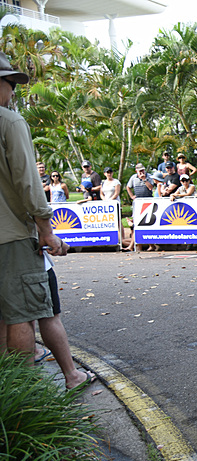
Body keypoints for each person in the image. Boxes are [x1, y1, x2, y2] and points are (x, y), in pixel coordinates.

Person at [0, 52, 91, 388]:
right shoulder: (9, 122)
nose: (12, 93)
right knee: (24, 315)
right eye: (10, 84)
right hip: (11, 236)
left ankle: (7, 394)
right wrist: (46, 230)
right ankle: (26, 397)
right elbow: (27, 181)